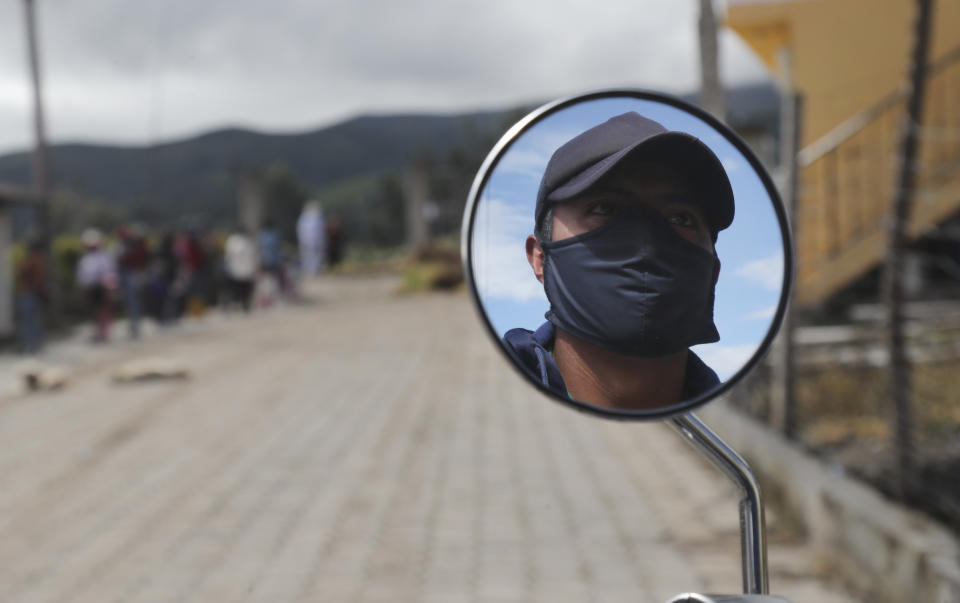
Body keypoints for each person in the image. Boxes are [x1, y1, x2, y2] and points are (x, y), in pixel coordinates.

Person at [502, 112, 735, 411]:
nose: (646, 242)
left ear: (713, 271)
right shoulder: (489, 399)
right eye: (605, 208)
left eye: (680, 218)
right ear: (540, 258)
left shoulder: (727, 442)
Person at [76, 228, 117, 343]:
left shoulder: (103, 257)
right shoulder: (85, 259)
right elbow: (82, 276)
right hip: (90, 287)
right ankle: (97, 332)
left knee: (103, 310)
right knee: (93, 311)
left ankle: (103, 332)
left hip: (101, 287)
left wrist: (110, 288)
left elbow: (109, 273)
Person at [116, 224, 150, 339]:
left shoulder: (130, 244)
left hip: (131, 274)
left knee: (132, 301)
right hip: (133, 274)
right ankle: (134, 326)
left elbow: (124, 259)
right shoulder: (132, 244)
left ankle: (135, 327)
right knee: (133, 301)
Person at [15, 238, 48, 354]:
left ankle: (29, 344)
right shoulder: (40, 260)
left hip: (29, 293)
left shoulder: (33, 260)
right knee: (33, 320)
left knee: (28, 320)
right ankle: (35, 344)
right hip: (34, 293)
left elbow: (21, 272)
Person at [223, 226, 258, 312]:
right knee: (245, 290)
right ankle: (244, 305)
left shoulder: (231, 241)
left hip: (236, 270)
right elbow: (253, 256)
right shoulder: (248, 241)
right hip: (245, 270)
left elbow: (227, 257)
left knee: (237, 289)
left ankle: (238, 304)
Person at [297, 201, 326, 277]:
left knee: (312, 257)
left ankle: (313, 271)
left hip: (309, 241)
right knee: (312, 257)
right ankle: (311, 271)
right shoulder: (313, 217)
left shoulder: (305, 217)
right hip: (311, 241)